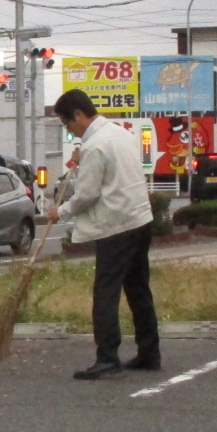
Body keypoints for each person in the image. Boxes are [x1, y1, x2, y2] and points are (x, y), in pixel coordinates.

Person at [44, 89, 161, 381]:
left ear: (79, 115)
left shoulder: (95, 146)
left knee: (106, 290)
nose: (69, 130)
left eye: (68, 124)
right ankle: (149, 353)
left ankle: (107, 357)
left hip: (116, 225)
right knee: (137, 288)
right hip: (140, 219)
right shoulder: (120, 134)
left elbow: (87, 195)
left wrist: (61, 211)